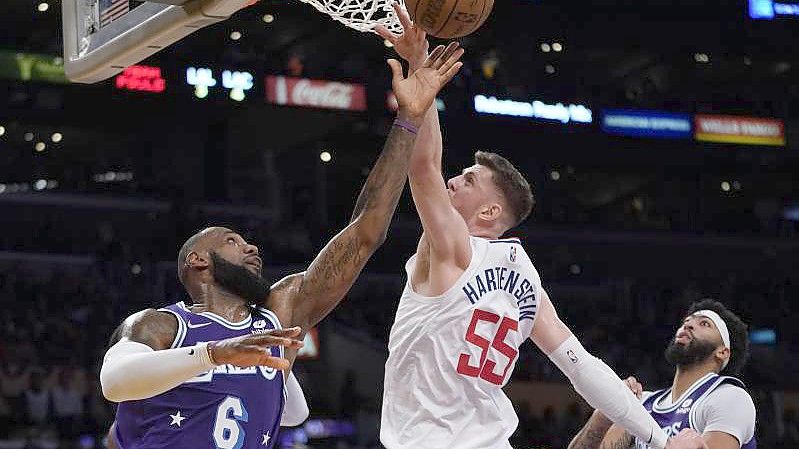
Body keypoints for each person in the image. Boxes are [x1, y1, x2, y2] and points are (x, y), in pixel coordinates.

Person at [99, 43, 465, 449]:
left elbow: (365, 233)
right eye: (233, 242)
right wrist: (214, 355)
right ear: (197, 260)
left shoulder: (279, 314)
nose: (252, 248)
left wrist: (409, 119)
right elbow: (114, 383)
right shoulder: (162, 325)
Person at [375, 7, 707, 449]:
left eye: (469, 180)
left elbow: (424, 167)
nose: (455, 180)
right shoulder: (525, 278)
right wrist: (660, 440)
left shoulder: (454, 248)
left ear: (490, 212)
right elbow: (582, 367)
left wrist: (421, 71)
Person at [568, 299, 756, 449]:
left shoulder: (730, 398)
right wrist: (605, 411)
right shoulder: (643, 403)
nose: (688, 325)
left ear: (723, 352)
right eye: (686, 322)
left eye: (704, 324)